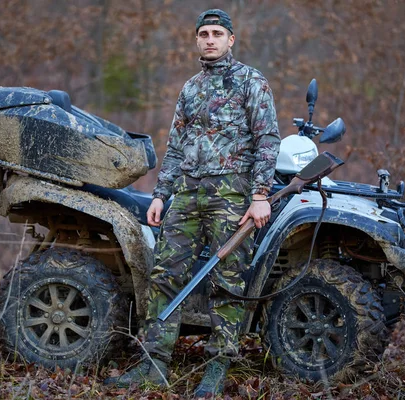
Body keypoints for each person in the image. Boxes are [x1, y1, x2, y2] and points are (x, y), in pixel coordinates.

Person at [105, 8, 280, 396]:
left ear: (231, 39)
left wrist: (260, 195)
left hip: (232, 196)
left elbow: (268, 139)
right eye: (204, 33)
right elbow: (176, 147)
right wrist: (161, 194)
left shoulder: (251, 81)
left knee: (227, 280)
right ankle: (154, 364)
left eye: (218, 33)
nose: (210, 39)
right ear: (197, 40)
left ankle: (218, 366)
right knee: (164, 275)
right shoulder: (191, 88)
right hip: (186, 195)